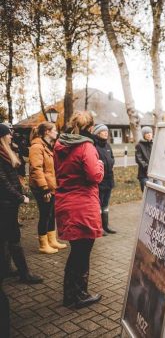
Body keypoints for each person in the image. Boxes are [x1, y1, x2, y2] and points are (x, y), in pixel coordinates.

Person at [54, 111, 104, 308]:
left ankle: (71, 294)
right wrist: (100, 164)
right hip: (83, 204)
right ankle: (77, 295)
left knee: (77, 250)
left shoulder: (60, 144)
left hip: (66, 202)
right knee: (82, 251)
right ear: (91, 127)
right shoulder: (86, 146)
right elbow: (94, 176)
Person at [0, 123, 43, 285]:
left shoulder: (5, 152)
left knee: (5, 237)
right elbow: (3, 182)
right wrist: (20, 197)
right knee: (13, 237)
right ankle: (25, 274)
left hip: (8, 203)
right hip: (6, 203)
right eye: (8, 134)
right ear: (2, 137)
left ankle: (6, 269)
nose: (11, 136)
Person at [29, 122, 67, 254]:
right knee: (45, 214)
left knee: (52, 214)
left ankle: (52, 240)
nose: (56, 132)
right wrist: (44, 188)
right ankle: (43, 244)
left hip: (50, 186)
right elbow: (36, 169)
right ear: (47, 132)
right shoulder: (37, 147)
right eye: (54, 130)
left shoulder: (48, 146)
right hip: (42, 187)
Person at [93, 124, 117, 235]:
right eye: (103, 131)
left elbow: (112, 158)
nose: (106, 133)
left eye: (107, 131)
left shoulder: (107, 145)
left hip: (109, 179)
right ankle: (99, 227)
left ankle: (106, 226)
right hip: (100, 181)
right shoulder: (94, 145)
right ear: (98, 133)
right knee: (98, 204)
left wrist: (111, 163)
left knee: (105, 204)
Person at [135, 126, 153, 192]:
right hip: (144, 175)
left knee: (159, 192)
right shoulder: (139, 145)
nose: (149, 134)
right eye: (147, 133)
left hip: (155, 174)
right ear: (143, 135)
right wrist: (147, 167)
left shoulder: (154, 144)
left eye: (150, 133)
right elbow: (138, 159)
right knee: (147, 193)